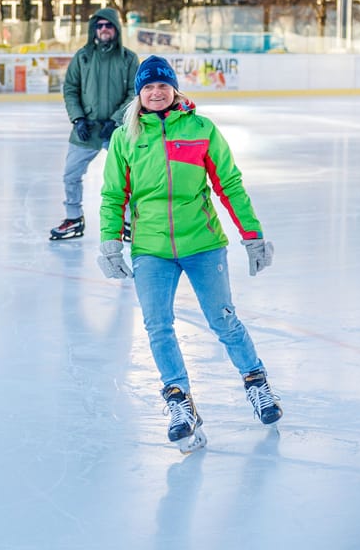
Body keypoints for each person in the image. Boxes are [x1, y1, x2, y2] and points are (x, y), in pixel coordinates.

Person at [96, 56, 280, 453]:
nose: (156, 92)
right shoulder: (126, 138)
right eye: (148, 87)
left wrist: (252, 235)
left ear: (174, 89)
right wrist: (110, 241)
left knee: (224, 320)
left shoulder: (201, 129)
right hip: (151, 248)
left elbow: (228, 184)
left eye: (163, 85)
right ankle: (179, 401)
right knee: (157, 326)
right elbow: (113, 195)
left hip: (203, 244)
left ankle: (256, 383)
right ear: (139, 94)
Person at [50, 8, 139, 240]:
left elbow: (135, 92)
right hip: (86, 129)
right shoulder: (83, 57)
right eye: (99, 26)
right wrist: (78, 118)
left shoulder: (128, 59)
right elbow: (70, 88)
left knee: (127, 176)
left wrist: (116, 120)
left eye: (108, 25)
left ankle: (129, 222)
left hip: (117, 130)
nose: (103, 29)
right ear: (94, 30)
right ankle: (73, 219)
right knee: (71, 174)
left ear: (116, 29)